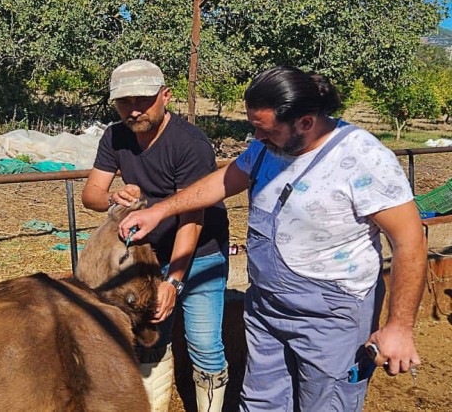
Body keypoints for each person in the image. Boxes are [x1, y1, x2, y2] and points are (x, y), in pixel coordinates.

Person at [118, 65, 427, 411]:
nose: (256, 137)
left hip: (332, 317)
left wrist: (399, 327)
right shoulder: (266, 147)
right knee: (260, 402)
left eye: (264, 129)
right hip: (267, 309)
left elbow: (410, 242)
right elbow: (222, 182)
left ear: (305, 123)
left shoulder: (362, 158)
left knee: (325, 404)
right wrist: (159, 211)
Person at [82, 59, 231, 412]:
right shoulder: (115, 135)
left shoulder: (189, 143)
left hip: (200, 253)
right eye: (124, 102)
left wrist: (174, 282)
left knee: (205, 344)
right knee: (148, 338)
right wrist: (113, 197)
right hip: (146, 257)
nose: (133, 110)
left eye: (143, 100)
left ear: (166, 96)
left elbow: (193, 217)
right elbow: (91, 195)